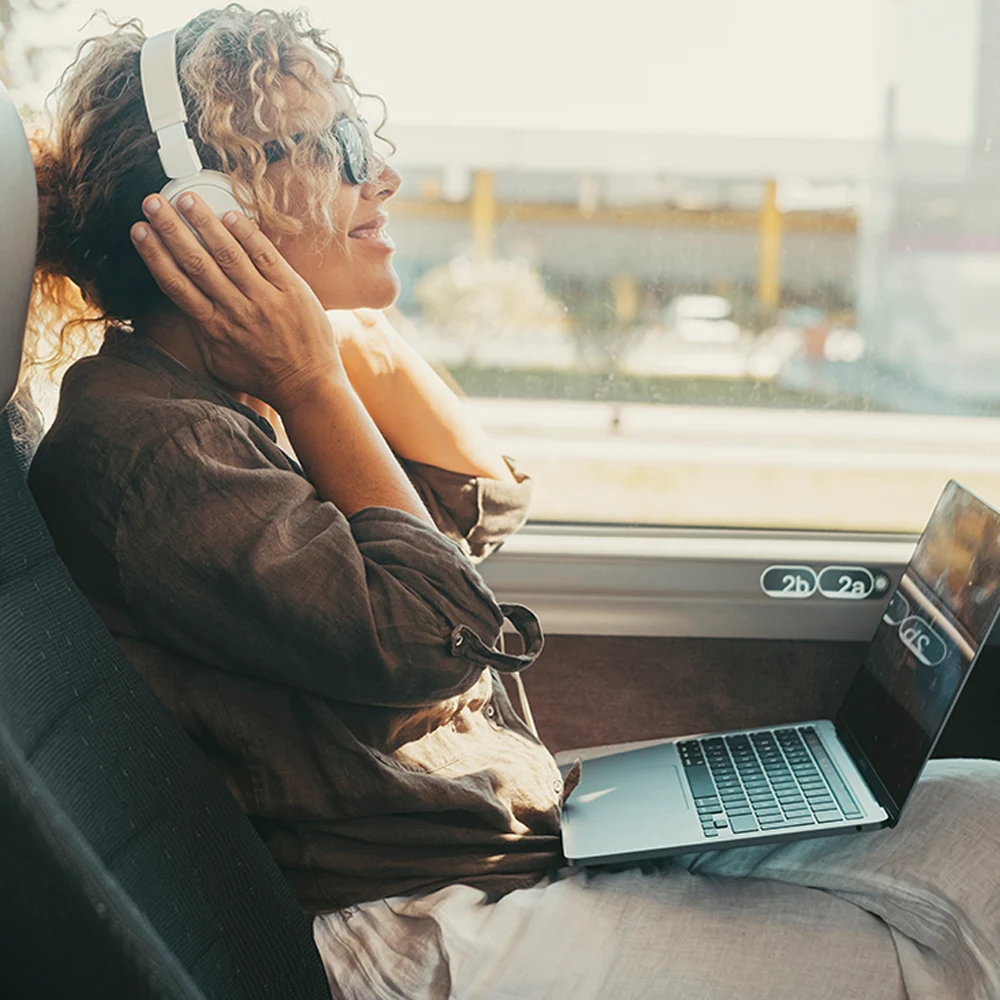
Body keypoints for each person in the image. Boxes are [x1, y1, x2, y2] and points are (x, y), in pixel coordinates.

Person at [22, 8, 1000, 999]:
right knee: (942, 965)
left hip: (502, 841)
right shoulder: (156, 445)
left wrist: (331, 348)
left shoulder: (238, 390)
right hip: (406, 923)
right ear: (209, 208)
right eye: (344, 147)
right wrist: (314, 382)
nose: (385, 178)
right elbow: (439, 631)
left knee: (983, 817)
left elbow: (480, 504)